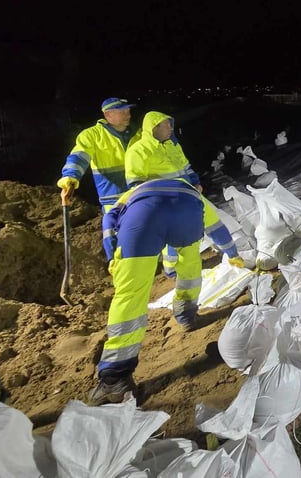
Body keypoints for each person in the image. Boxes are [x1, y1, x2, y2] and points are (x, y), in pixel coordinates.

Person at [89, 177, 244, 405]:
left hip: (142, 219)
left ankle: (115, 378)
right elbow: (217, 228)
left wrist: (112, 254)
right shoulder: (193, 193)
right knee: (190, 265)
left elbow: (109, 222)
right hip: (186, 215)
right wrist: (233, 254)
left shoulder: (132, 194)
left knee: (130, 295)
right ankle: (186, 315)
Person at [125, 110, 205, 275]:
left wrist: (196, 183)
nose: (170, 128)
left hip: (186, 198)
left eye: (170, 124)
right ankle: (172, 270)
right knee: (172, 236)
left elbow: (186, 167)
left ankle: (185, 266)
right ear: (154, 128)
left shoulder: (172, 145)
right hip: (164, 202)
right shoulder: (138, 151)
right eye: (166, 124)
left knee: (187, 233)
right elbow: (136, 184)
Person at [57, 97, 141, 211]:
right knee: (115, 228)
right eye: (122, 112)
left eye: (128, 111)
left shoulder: (139, 134)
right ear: (107, 115)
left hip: (139, 195)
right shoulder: (92, 136)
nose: (128, 115)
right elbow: (80, 156)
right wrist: (70, 176)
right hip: (113, 200)